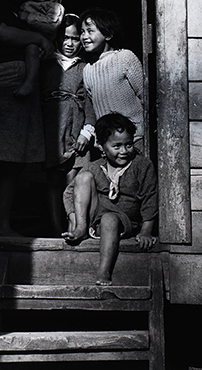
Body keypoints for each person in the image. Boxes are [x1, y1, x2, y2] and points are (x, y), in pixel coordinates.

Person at [0, 0, 56, 237]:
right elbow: (1, 33)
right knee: (1, 157)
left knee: (11, 160)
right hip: (8, 79)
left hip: (18, 78)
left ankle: (0, 224)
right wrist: (37, 38)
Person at [62, 113, 158, 286]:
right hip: (96, 220)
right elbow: (69, 194)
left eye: (128, 145)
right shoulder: (95, 166)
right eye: (117, 146)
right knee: (83, 179)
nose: (124, 151)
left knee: (109, 219)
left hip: (124, 221)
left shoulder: (142, 165)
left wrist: (146, 231)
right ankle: (81, 229)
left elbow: (150, 198)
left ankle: (104, 271)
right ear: (101, 146)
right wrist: (74, 219)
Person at [39, 14, 95, 234]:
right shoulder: (47, 65)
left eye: (75, 38)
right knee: (53, 182)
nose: (70, 43)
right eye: (65, 38)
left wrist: (86, 132)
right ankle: (55, 229)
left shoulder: (85, 68)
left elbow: (90, 103)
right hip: (52, 133)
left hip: (77, 134)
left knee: (72, 183)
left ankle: (74, 227)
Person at [79, 7, 146, 152]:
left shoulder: (125, 58)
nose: (84, 36)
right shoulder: (87, 70)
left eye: (90, 31)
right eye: (82, 31)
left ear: (108, 35)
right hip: (108, 143)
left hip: (134, 139)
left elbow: (145, 97)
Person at [13, 0, 65, 97]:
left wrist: (28, 18)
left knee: (32, 48)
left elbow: (52, 24)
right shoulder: (26, 5)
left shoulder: (55, 7)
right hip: (23, 44)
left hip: (42, 46)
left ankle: (29, 82)